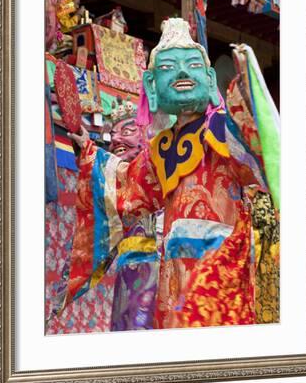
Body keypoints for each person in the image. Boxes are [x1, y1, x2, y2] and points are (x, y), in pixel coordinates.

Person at [68, 18, 279, 329]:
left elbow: (261, 157)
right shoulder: (160, 148)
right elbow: (128, 188)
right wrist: (88, 151)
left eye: (192, 65)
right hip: (172, 276)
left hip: (220, 265)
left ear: (209, 80)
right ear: (151, 86)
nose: (182, 72)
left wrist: (247, 93)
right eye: (168, 68)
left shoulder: (221, 128)